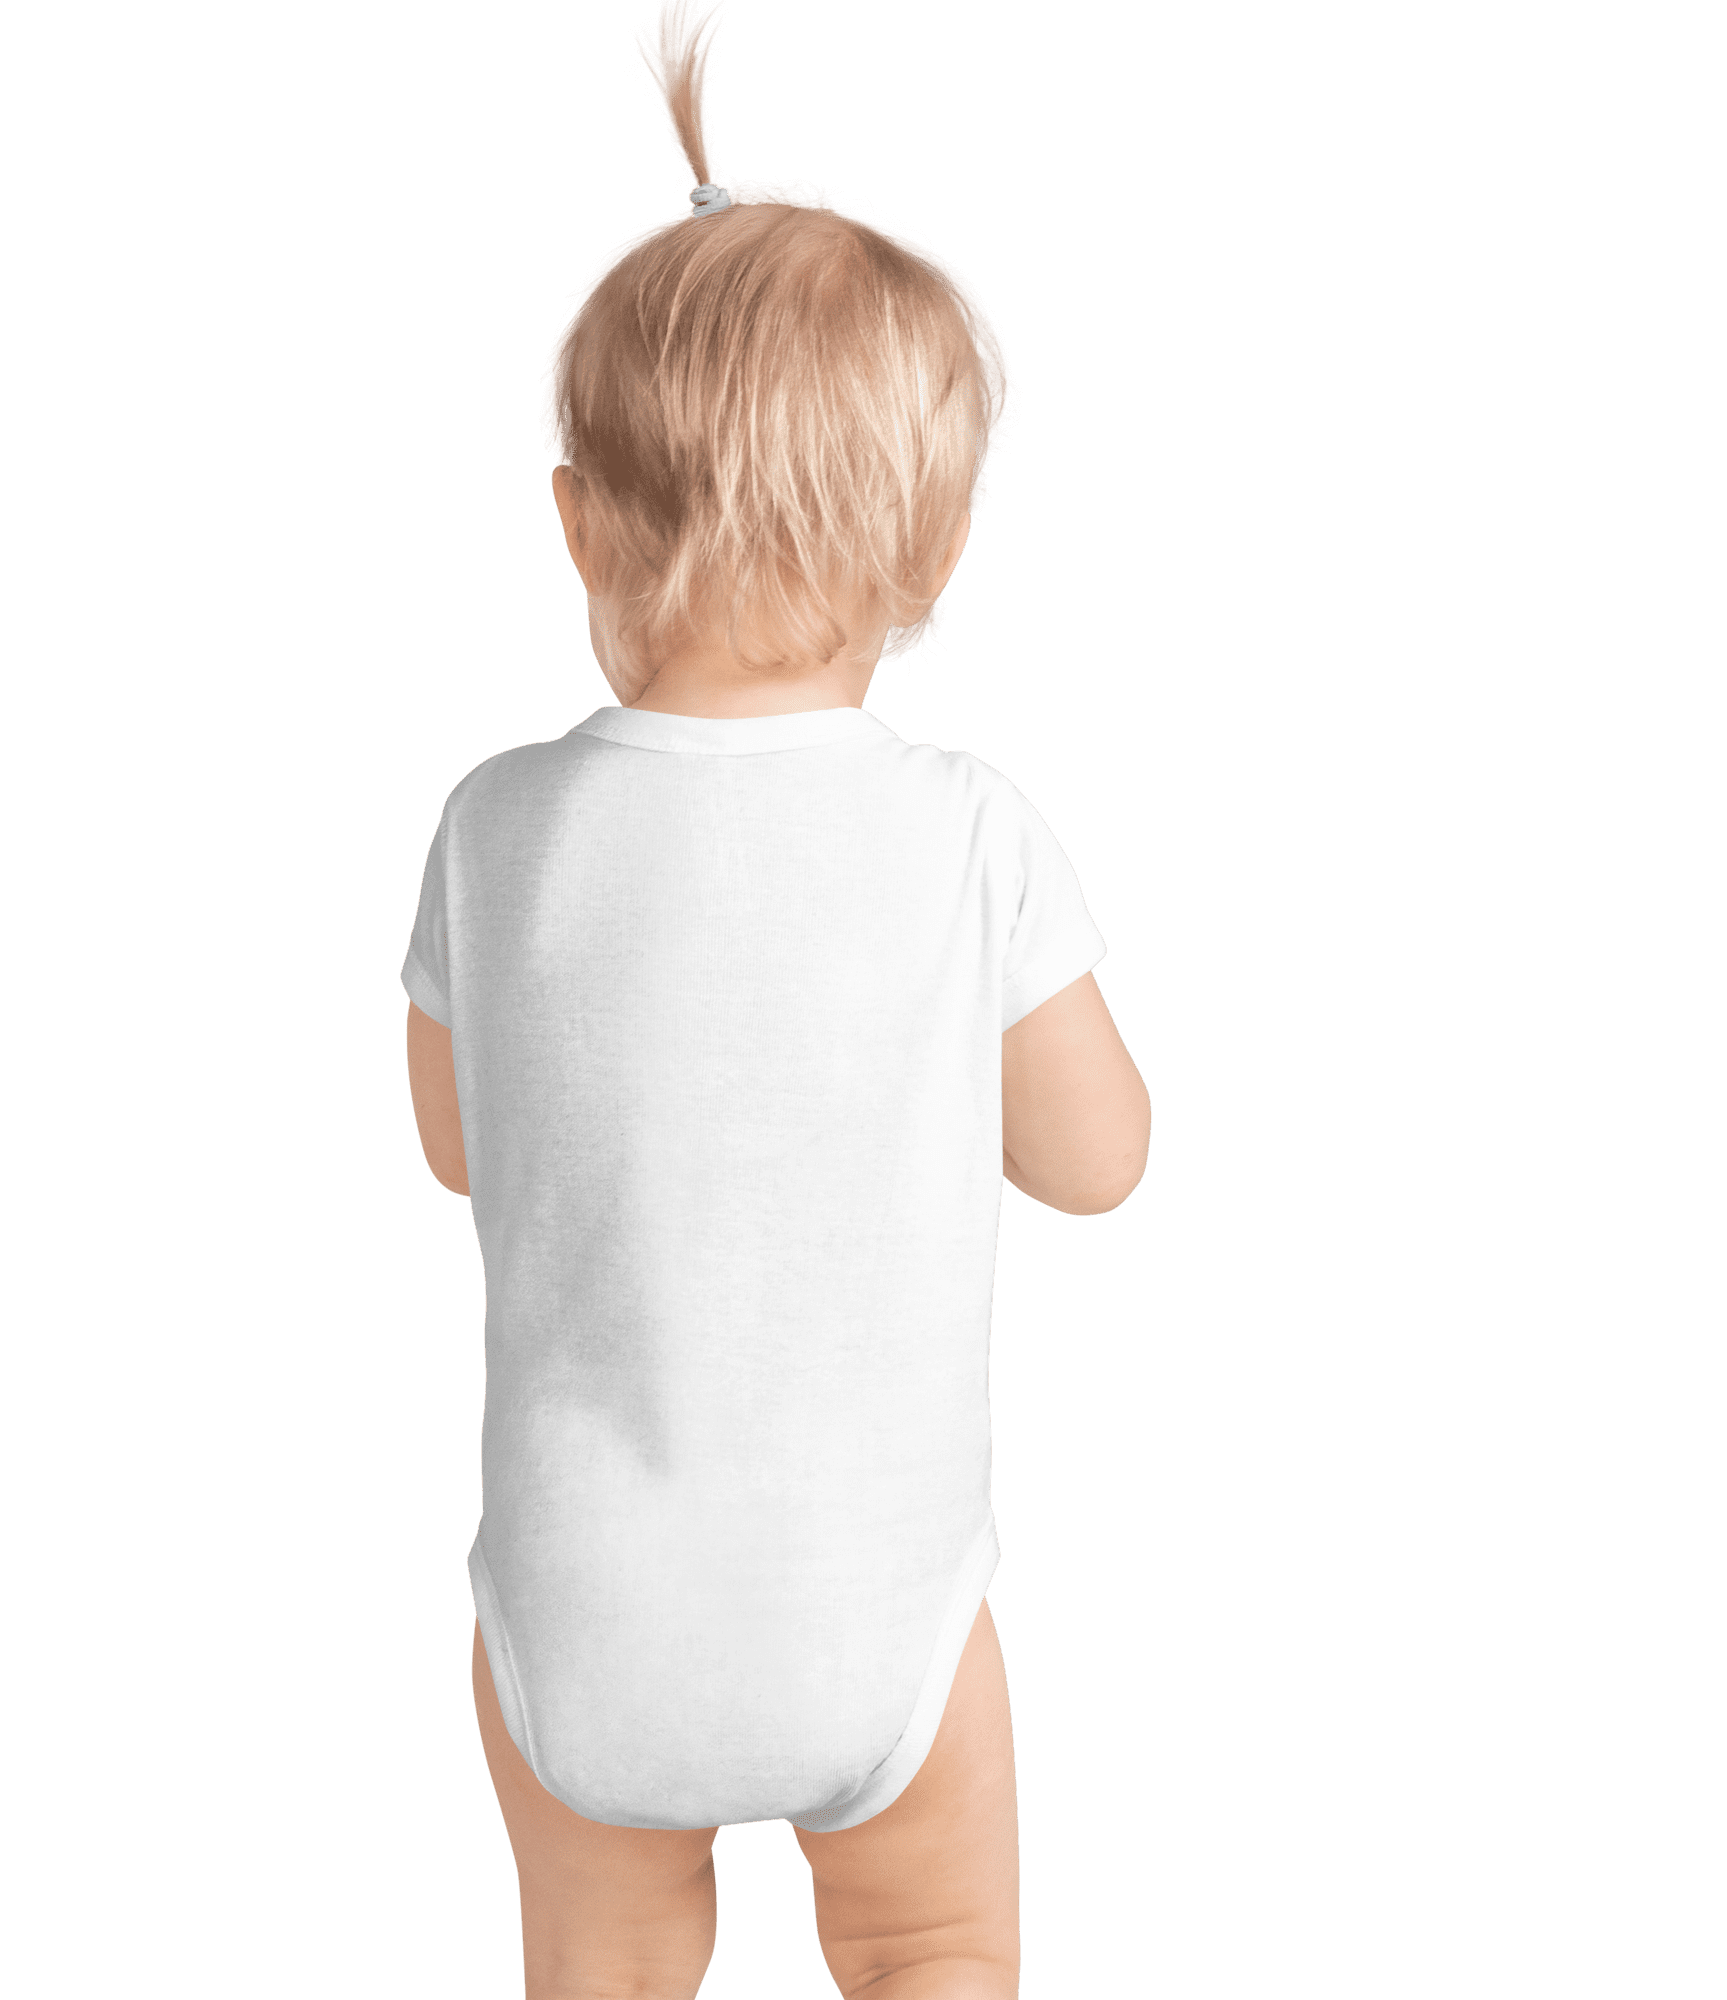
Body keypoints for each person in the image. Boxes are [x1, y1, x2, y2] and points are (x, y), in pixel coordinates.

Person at [402, 6, 1151, 1992]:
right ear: (934, 543)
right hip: (870, 1606)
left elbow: (460, 1151)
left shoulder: (494, 827)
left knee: (605, 1953)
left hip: (576, 1611)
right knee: (929, 1944)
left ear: (577, 513)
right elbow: (1097, 1164)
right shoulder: (965, 833)